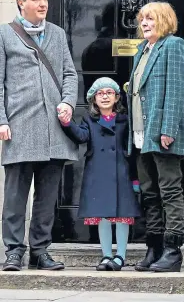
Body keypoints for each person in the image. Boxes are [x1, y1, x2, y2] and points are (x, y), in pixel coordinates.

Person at [0, 0, 79, 271]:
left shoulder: (57, 34)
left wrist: (67, 102)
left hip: (54, 129)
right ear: (21, 2)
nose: (43, 4)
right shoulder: (1, 34)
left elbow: (69, 75)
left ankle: (40, 251)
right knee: (15, 195)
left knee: (47, 197)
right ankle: (14, 250)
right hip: (19, 127)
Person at [127, 2, 184, 273]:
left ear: (164, 20)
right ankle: (153, 248)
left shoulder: (173, 45)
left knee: (170, 190)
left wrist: (169, 129)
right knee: (148, 192)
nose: (144, 24)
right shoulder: (142, 50)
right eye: (142, 19)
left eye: (150, 19)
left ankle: (172, 251)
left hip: (162, 131)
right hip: (141, 133)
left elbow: (177, 90)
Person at [58, 77, 141, 271]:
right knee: (103, 215)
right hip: (98, 172)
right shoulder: (89, 119)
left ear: (117, 97)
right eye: (100, 94)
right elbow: (82, 136)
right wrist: (67, 123)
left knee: (122, 215)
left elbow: (132, 149)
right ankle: (106, 255)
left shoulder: (124, 119)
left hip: (121, 172)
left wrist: (135, 178)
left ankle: (120, 255)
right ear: (94, 99)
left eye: (109, 93)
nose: (105, 97)